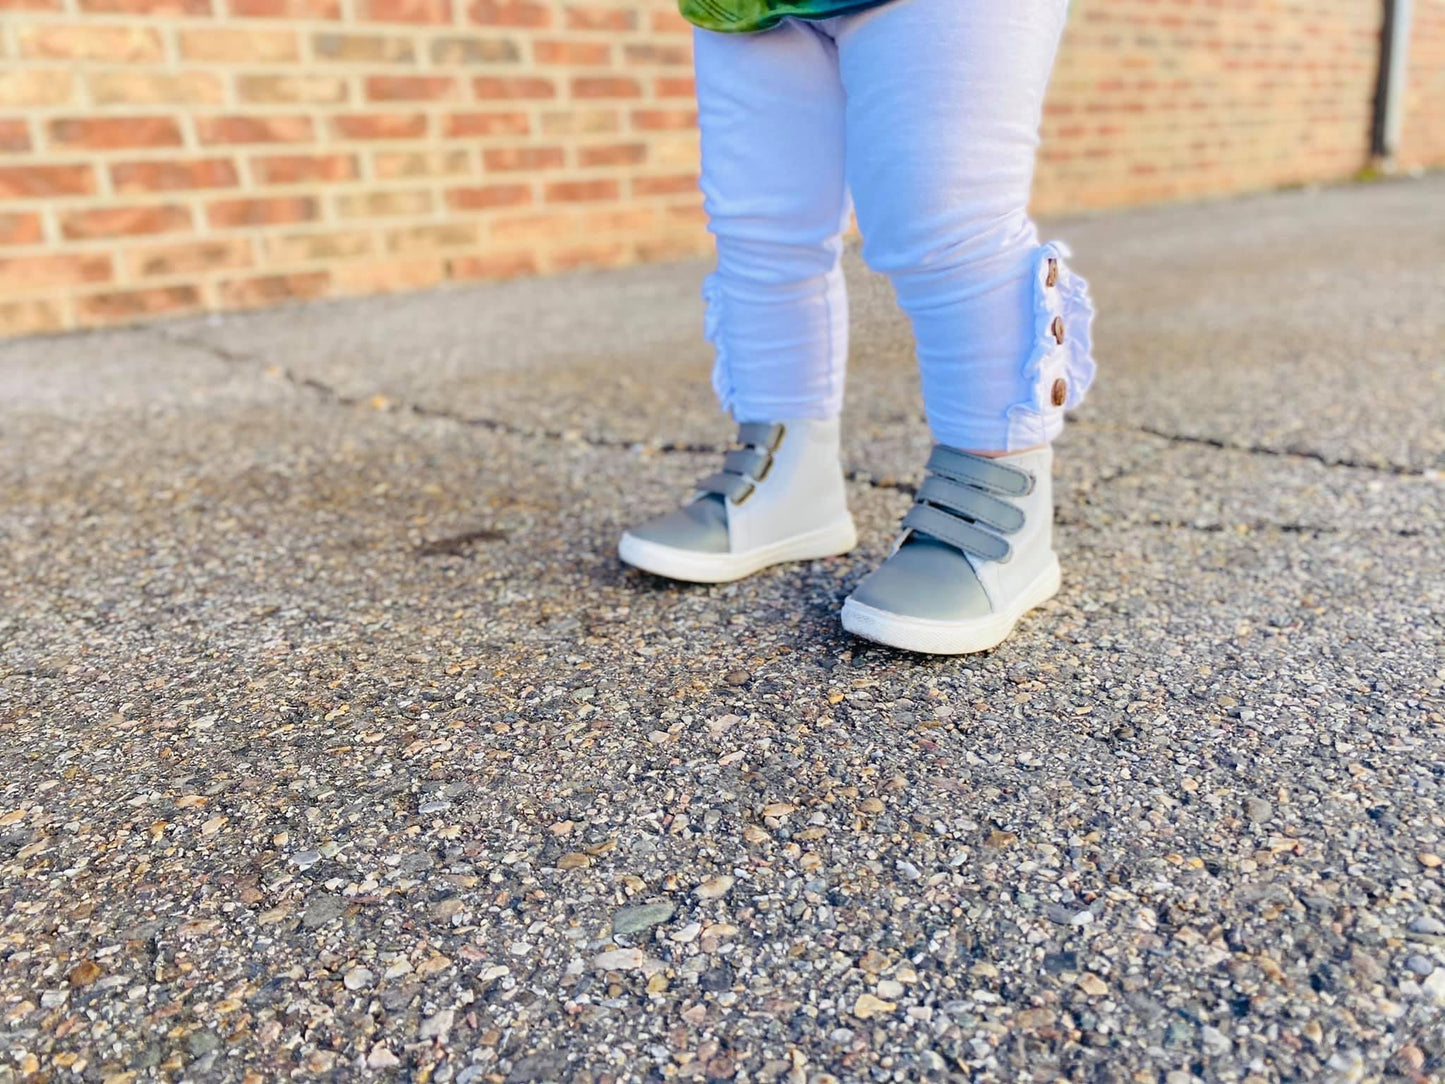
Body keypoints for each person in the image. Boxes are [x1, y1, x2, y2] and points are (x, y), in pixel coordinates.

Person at [619, 0, 1096, 656]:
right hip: (749, 7)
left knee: (944, 223)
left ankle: (998, 508)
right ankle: (788, 487)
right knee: (759, 233)